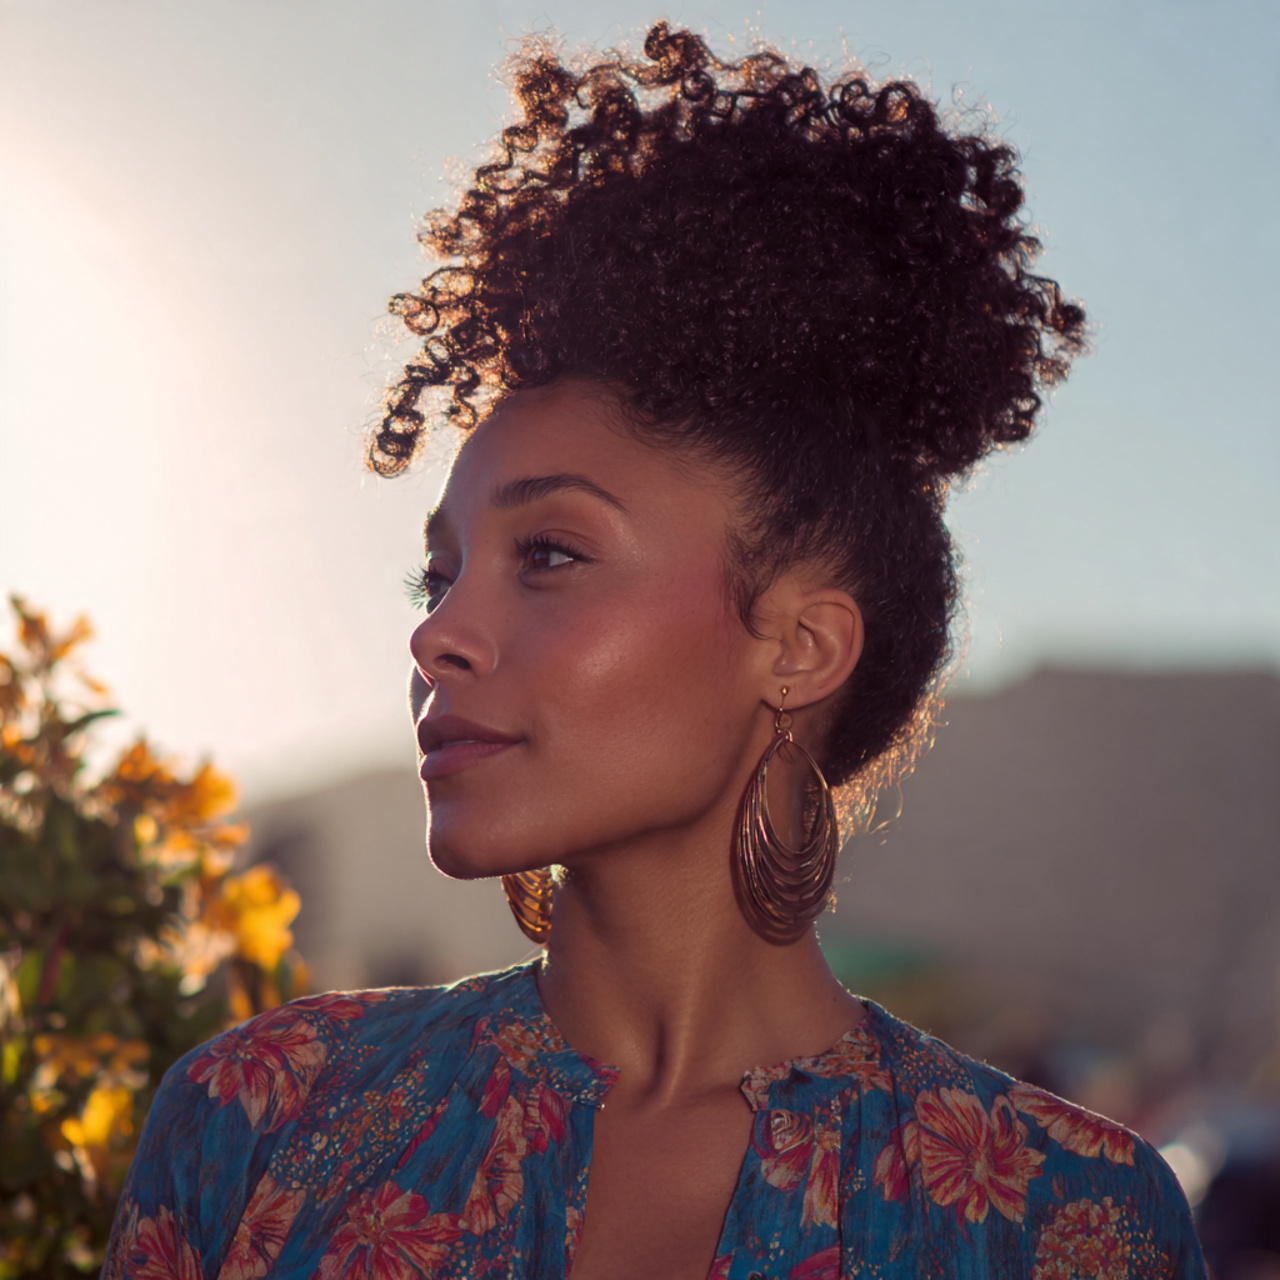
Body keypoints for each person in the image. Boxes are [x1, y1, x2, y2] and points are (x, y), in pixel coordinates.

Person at [105, 23, 1207, 1280]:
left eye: (552, 554)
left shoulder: (1068, 1223)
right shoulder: (256, 1117)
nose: (435, 629)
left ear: (796, 644)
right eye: (440, 567)